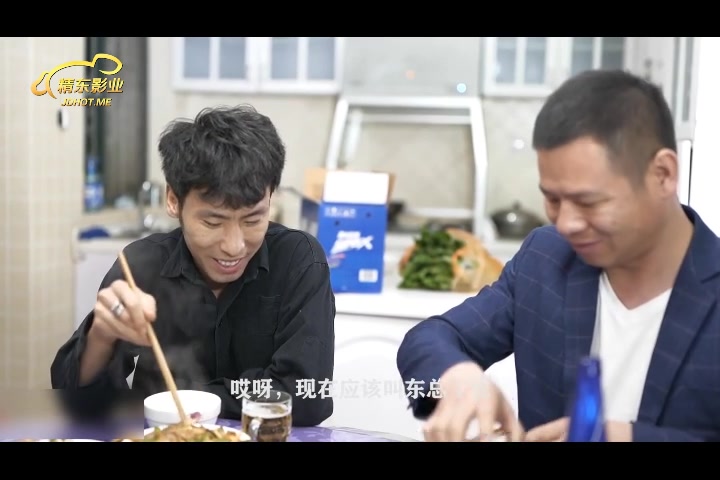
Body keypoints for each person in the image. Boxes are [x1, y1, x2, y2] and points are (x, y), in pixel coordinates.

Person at [396, 69, 720, 442]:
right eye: (552, 199)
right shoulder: (546, 258)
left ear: (662, 174)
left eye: (588, 201)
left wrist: (624, 438)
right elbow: (432, 337)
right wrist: (455, 376)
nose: (565, 223)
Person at [51, 105, 335, 427]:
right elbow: (73, 398)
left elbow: (306, 396)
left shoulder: (298, 259)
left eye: (253, 220)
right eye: (213, 222)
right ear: (174, 200)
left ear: (271, 198)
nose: (234, 246)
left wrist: (183, 400)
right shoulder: (142, 265)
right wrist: (102, 336)